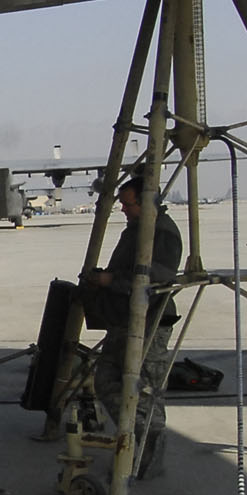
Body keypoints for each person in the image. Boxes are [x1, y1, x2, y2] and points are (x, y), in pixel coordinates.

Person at [83, 177, 183, 475]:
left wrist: (111, 280)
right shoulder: (137, 230)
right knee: (106, 382)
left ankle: (147, 458)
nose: (124, 210)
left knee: (147, 390)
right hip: (126, 320)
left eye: (128, 204)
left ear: (146, 202)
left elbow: (157, 277)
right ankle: (135, 443)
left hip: (150, 321)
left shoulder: (160, 232)